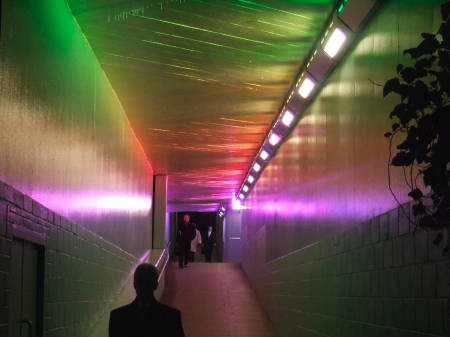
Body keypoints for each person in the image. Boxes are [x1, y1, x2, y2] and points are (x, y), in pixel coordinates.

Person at [109, 263, 185, 337]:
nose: (143, 287)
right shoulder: (171, 317)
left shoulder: (117, 316)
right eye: (141, 282)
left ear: (134, 285)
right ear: (156, 285)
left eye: (146, 282)